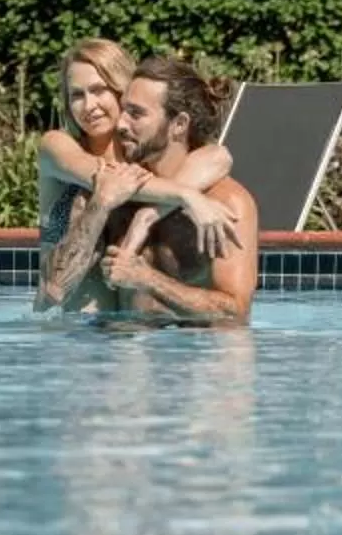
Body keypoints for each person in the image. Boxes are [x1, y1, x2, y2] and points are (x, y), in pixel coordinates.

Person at [34, 39, 238, 313]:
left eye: (99, 90)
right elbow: (106, 180)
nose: (88, 106)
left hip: (124, 330)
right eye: (77, 95)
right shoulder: (57, 146)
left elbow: (218, 156)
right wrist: (186, 194)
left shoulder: (141, 155)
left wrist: (147, 215)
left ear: (122, 90)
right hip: (65, 327)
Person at [100, 56, 261, 325]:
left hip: (193, 356)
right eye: (123, 110)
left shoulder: (226, 203)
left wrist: (145, 278)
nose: (121, 124)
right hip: (123, 350)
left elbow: (235, 311)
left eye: (136, 114)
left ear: (179, 125)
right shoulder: (121, 188)